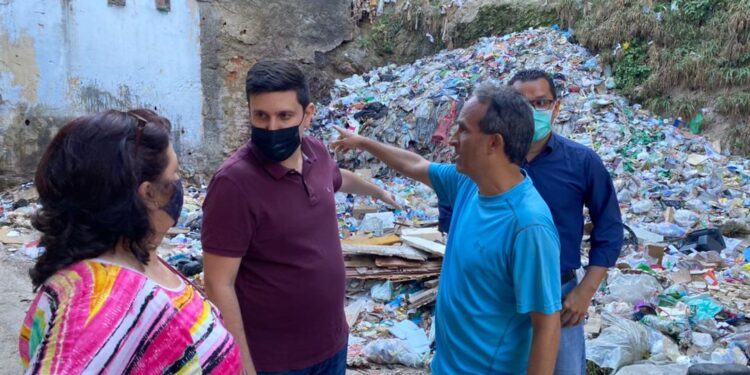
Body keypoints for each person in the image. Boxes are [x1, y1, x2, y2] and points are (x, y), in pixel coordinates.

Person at [332, 83, 562, 375]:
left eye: (463, 131)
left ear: (494, 143)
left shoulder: (528, 225)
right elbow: (415, 164)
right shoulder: (469, 183)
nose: (452, 140)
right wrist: (363, 142)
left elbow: (547, 325)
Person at [201, 60, 399, 375]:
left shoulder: (315, 152)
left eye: (284, 116)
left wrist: (377, 192)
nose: (271, 128)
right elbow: (217, 281)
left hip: (332, 345)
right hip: (276, 362)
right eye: (260, 116)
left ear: (308, 114)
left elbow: (336, 178)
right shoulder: (233, 184)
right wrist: (242, 367)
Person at [18, 110, 242, 374]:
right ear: (148, 193)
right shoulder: (101, 306)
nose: (179, 185)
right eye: (175, 174)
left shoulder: (137, 257)